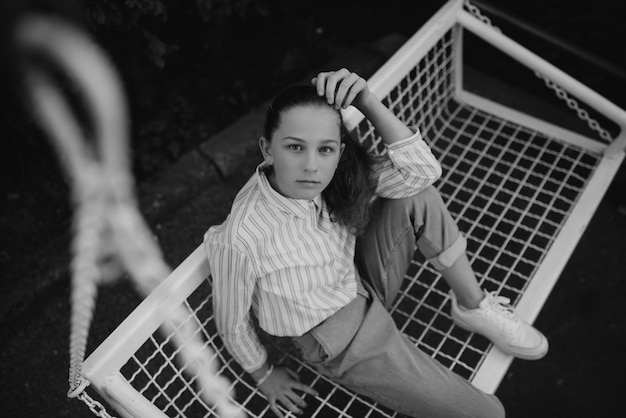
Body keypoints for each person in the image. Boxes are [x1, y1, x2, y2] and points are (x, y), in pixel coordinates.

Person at [204, 68, 548, 418]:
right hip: (336, 337)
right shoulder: (241, 237)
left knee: (417, 197)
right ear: (267, 148)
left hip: (358, 279)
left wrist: (367, 101)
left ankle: (472, 306)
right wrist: (264, 375)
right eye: (294, 147)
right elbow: (231, 322)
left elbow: (421, 175)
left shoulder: (336, 174)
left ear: (339, 151)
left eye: (325, 149)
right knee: (489, 414)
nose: (311, 166)